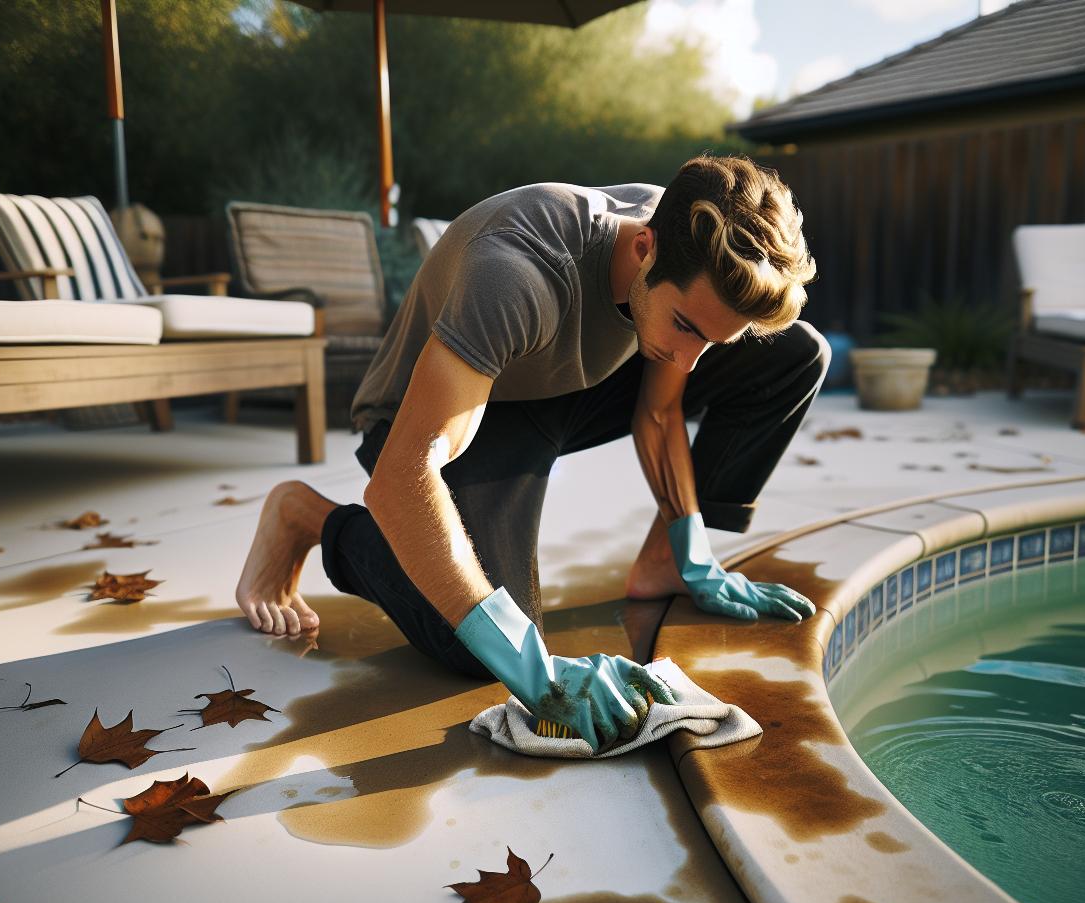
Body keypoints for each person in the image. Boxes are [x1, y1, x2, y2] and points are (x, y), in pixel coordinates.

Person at [234, 154, 828, 751]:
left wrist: (691, 553)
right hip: (448, 407)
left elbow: (661, 408)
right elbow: (404, 476)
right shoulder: (517, 272)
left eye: (711, 339)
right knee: (477, 644)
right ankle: (307, 516)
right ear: (644, 247)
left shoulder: (681, 248)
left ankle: (662, 568)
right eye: (687, 327)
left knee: (797, 354)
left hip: (564, 386)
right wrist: (534, 672)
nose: (691, 362)